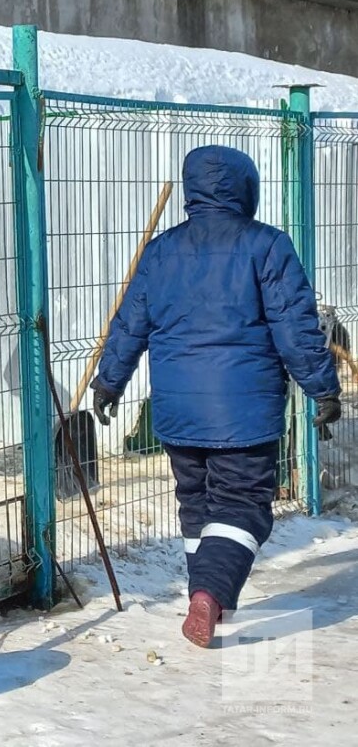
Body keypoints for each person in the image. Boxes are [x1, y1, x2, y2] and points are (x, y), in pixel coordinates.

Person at [90, 144, 342, 648]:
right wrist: (323, 388)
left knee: (197, 504)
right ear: (246, 189)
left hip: (179, 412)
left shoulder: (161, 251)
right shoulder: (267, 245)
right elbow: (296, 327)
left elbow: (129, 324)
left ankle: (205, 599)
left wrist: (108, 381)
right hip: (244, 413)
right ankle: (209, 593)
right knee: (244, 505)